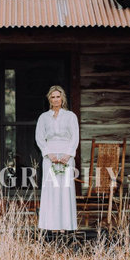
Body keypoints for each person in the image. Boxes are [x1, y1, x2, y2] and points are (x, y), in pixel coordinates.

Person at [35, 85, 79, 232]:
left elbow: (75, 137)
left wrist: (68, 154)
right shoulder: (43, 117)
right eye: (53, 97)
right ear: (49, 99)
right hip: (50, 157)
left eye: (58, 96)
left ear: (62, 98)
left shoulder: (70, 116)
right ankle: (52, 225)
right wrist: (48, 154)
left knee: (65, 189)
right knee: (52, 189)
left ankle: (65, 226)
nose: (55, 99)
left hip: (67, 156)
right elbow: (39, 137)